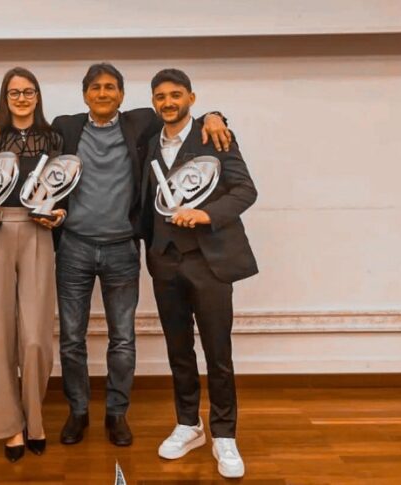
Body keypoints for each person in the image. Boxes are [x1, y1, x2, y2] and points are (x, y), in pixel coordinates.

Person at [47, 63, 230, 447]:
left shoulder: (141, 123)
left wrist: (215, 116)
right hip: (74, 247)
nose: (102, 93)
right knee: (72, 339)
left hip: (122, 248)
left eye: (110, 87)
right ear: (85, 95)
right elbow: (27, 135)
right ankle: (78, 411)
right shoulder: (65, 127)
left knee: (123, 339)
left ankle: (117, 414)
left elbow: (181, 115)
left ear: (122, 94)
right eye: (95, 87)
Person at [140, 69, 258, 478]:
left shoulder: (214, 136)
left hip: (209, 261)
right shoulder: (148, 142)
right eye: (160, 96)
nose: (168, 102)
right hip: (164, 260)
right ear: (153, 102)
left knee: (217, 352)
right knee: (179, 351)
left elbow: (245, 190)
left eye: (176, 95)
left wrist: (206, 215)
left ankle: (224, 434)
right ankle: (189, 424)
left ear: (191, 97)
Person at [0, 67, 65, 462]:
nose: (22, 98)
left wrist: (60, 213)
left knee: (36, 337)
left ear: (38, 95)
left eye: (28, 91)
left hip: (38, 231)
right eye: (14, 92)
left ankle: (35, 420)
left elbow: (63, 188)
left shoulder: (54, 137)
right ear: (4, 97)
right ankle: (10, 427)